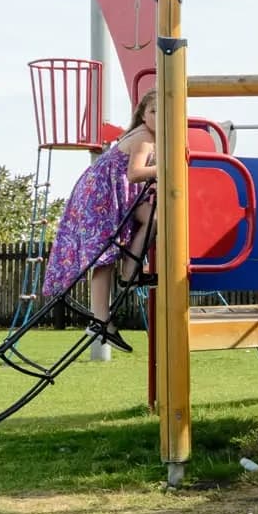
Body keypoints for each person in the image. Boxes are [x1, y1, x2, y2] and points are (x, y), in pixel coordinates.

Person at [40, 91, 160, 360]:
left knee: (151, 219)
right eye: (153, 111)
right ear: (143, 114)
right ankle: (103, 316)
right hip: (102, 195)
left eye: (163, 112)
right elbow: (135, 173)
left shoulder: (145, 135)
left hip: (102, 190)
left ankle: (109, 307)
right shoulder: (144, 138)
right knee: (104, 256)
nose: (158, 117)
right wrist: (169, 167)